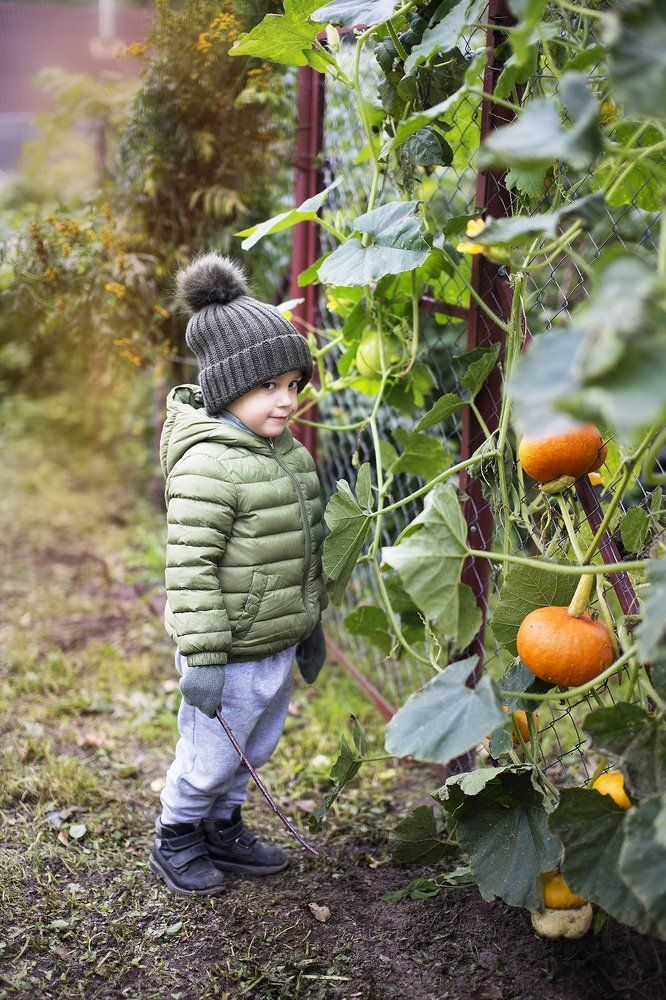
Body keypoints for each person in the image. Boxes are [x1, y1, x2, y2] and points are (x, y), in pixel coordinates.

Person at [149, 251, 329, 898]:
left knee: (254, 746)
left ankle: (223, 827)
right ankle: (176, 835)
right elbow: (190, 567)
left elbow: (302, 547)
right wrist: (201, 656)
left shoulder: (284, 454)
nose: (286, 401)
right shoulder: (208, 465)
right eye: (268, 388)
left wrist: (308, 626)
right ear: (229, 387)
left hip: (275, 638)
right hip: (225, 651)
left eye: (292, 385)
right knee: (209, 756)